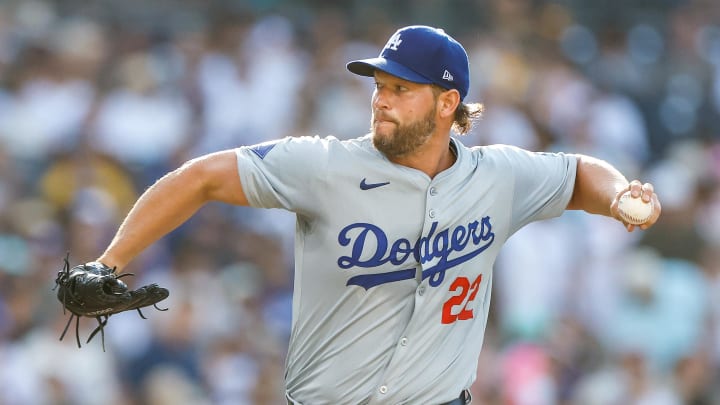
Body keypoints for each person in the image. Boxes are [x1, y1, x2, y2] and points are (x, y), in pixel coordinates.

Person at [92, 25, 661, 404]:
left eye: (400, 88)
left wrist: (617, 194)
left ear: (447, 104)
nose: (380, 99)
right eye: (379, 85)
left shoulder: (497, 176)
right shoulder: (324, 166)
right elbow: (201, 177)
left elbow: (578, 172)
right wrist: (110, 262)